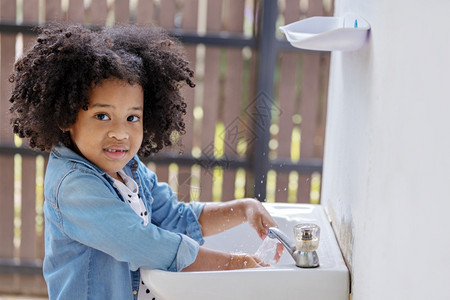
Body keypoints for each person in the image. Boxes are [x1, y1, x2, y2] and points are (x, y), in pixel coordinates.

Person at [9, 23, 282, 299]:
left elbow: (175, 218)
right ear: (66, 117)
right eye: (102, 116)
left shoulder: (128, 170)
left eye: (132, 118)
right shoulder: (73, 186)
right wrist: (234, 264)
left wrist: (244, 208)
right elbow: (144, 243)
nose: (120, 133)